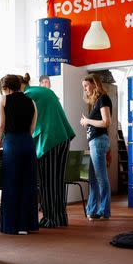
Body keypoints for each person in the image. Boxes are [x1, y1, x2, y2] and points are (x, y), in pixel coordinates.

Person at [22, 74, 75, 228]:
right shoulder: (44, 91)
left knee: (47, 182)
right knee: (57, 181)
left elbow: (27, 122)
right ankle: (60, 217)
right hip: (63, 137)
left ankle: (50, 219)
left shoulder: (28, 95)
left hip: (49, 140)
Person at [0, 75, 39, 235]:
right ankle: (25, 226)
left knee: (11, 183)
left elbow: (1, 125)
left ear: (6, 88)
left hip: (12, 143)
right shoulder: (31, 102)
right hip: (28, 143)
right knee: (27, 185)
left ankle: (11, 226)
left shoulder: (4, 100)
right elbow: (32, 128)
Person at [79, 74, 113, 220]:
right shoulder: (97, 101)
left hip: (98, 141)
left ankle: (104, 211)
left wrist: (88, 121)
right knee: (93, 179)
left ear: (95, 84)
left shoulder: (103, 99)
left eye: (86, 85)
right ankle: (92, 210)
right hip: (95, 141)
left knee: (101, 178)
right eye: (84, 87)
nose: (85, 89)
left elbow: (106, 122)